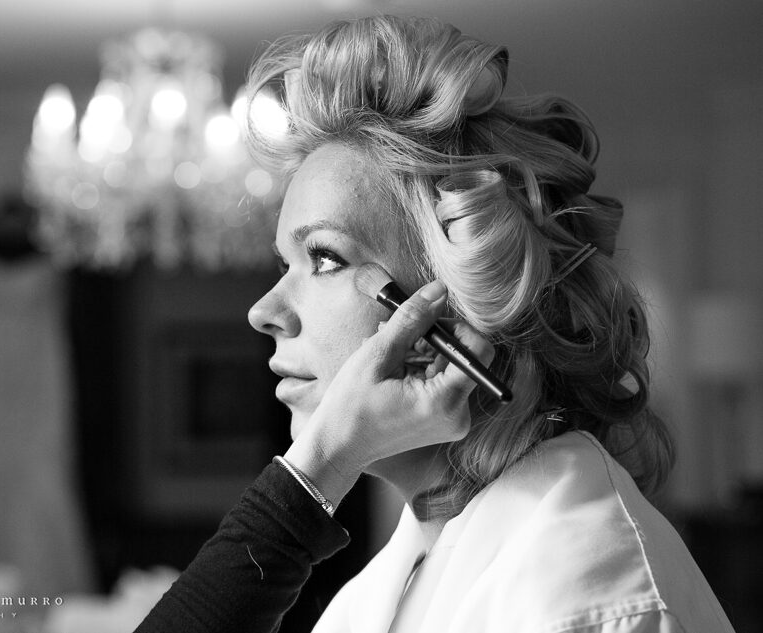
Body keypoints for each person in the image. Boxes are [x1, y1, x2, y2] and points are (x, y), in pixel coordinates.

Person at [139, 15, 734, 633]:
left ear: (456, 310)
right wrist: (317, 466)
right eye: (284, 263)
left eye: (324, 258)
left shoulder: (581, 592)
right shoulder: (371, 594)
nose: (263, 312)